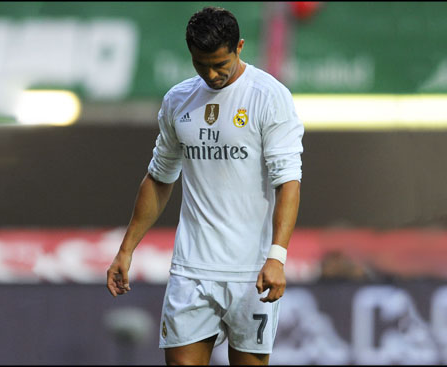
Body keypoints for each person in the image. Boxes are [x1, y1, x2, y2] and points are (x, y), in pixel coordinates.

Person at [106, 6, 304, 365]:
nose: (211, 74)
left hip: (252, 272)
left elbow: (288, 182)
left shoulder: (269, 97)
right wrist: (127, 248)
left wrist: (277, 257)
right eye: (201, 64)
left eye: (220, 64)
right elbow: (159, 177)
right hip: (192, 269)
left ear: (240, 47)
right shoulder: (178, 101)